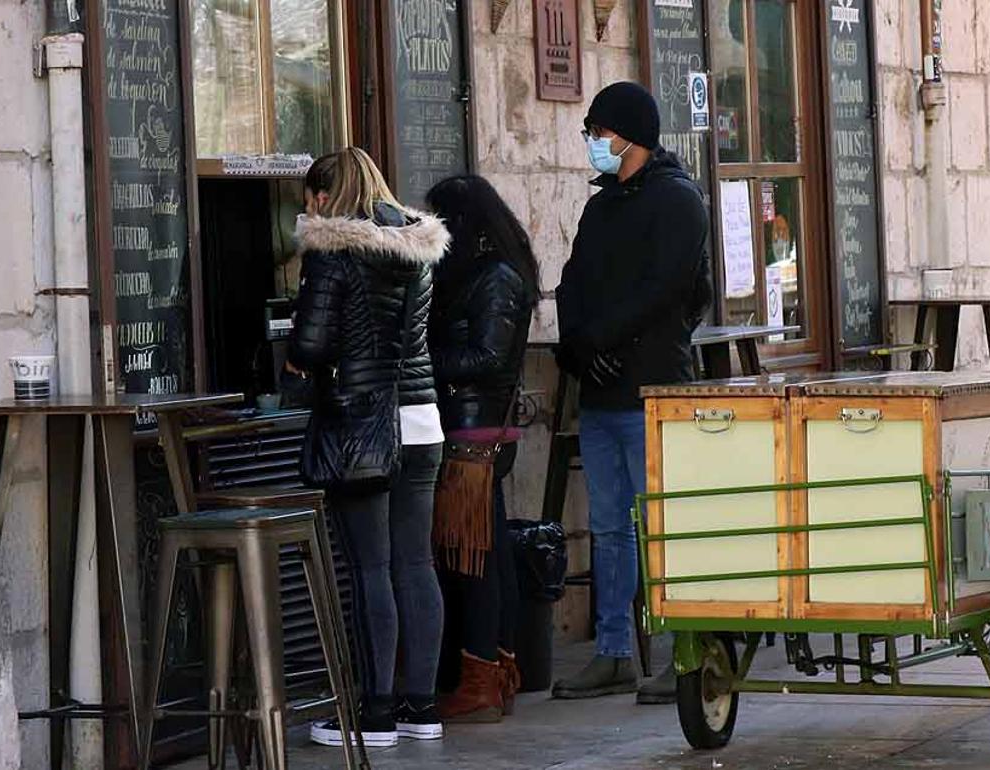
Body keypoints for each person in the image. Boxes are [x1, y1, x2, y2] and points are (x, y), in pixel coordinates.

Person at [553, 82, 712, 703]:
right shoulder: (603, 205)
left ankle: (686, 652)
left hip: (652, 388)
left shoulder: (677, 200)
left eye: (598, 130)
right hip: (599, 391)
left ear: (629, 135)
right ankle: (614, 650)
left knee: (663, 526)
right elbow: (572, 281)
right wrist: (576, 346)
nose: (594, 142)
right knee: (610, 527)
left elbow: (671, 289)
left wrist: (606, 339)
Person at [288, 147, 451, 747]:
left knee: (371, 568)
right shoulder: (416, 246)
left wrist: (293, 362)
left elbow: (309, 344)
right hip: (421, 416)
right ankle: (423, 706)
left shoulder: (333, 252)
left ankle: (375, 712)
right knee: (416, 564)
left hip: (362, 422)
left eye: (310, 202)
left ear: (324, 198)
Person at [425, 176, 540, 723]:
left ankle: (481, 678)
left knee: (473, 558)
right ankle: (493, 671)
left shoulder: (495, 277)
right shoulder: (492, 271)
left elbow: (488, 358)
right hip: (472, 432)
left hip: (473, 437)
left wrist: (423, 363)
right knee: (484, 554)